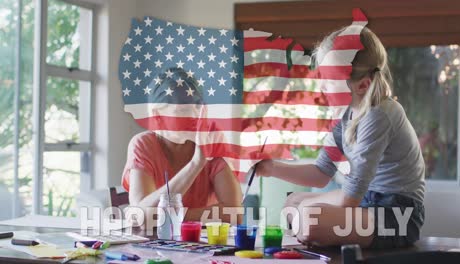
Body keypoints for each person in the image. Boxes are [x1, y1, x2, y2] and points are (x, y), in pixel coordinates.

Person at [255, 27, 425, 249]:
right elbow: (320, 174)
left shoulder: (379, 114)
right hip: (367, 202)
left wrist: (308, 208)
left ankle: (311, 232)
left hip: (397, 214)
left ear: (362, 85)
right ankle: (311, 231)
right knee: (291, 203)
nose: (321, 85)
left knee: (310, 219)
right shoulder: (345, 117)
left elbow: (349, 198)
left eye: (330, 78)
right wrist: (269, 167)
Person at [122, 68, 242, 225]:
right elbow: (140, 217)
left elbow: (234, 214)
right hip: (156, 244)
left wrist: (170, 215)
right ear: (158, 114)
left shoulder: (212, 137)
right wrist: (196, 163)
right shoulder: (143, 145)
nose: (193, 115)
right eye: (183, 109)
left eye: (197, 106)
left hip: (204, 244)